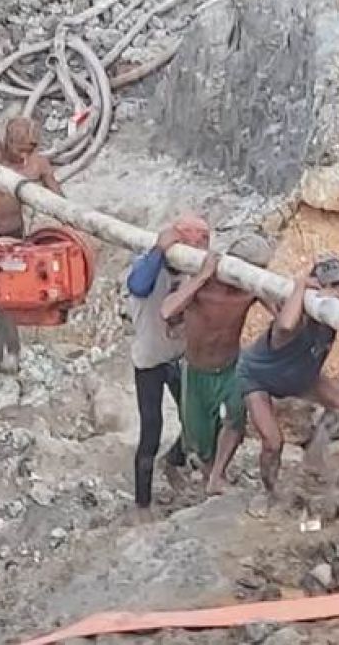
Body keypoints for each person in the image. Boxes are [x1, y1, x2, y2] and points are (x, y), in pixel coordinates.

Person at [159, 233, 274, 494]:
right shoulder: (202, 284)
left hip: (232, 366)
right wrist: (201, 276)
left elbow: (280, 314)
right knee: (197, 436)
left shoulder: (250, 290)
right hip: (196, 368)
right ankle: (202, 470)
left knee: (236, 417)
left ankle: (217, 477)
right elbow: (167, 311)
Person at [239, 254, 339, 504]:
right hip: (259, 378)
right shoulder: (298, 316)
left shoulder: (335, 312)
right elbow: (284, 327)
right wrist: (301, 287)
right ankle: (271, 492)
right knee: (273, 442)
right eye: (335, 285)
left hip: (301, 375)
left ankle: (314, 457)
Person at [124, 214, 210, 519]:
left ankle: (173, 463)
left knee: (194, 422)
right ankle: (142, 504)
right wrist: (160, 250)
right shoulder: (149, 268)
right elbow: (137, 286)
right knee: (151, 431)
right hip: (149, 360)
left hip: (178, 356)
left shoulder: (191, 271)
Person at [0, 117, 62, 373]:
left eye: (29, 150)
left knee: (9, 293)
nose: (23, 157)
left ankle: (3, 350)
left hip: (14, 234)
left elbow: (58, 197)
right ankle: (3, 348)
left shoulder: (38, 163)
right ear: (7, 140)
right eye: (19, 149)